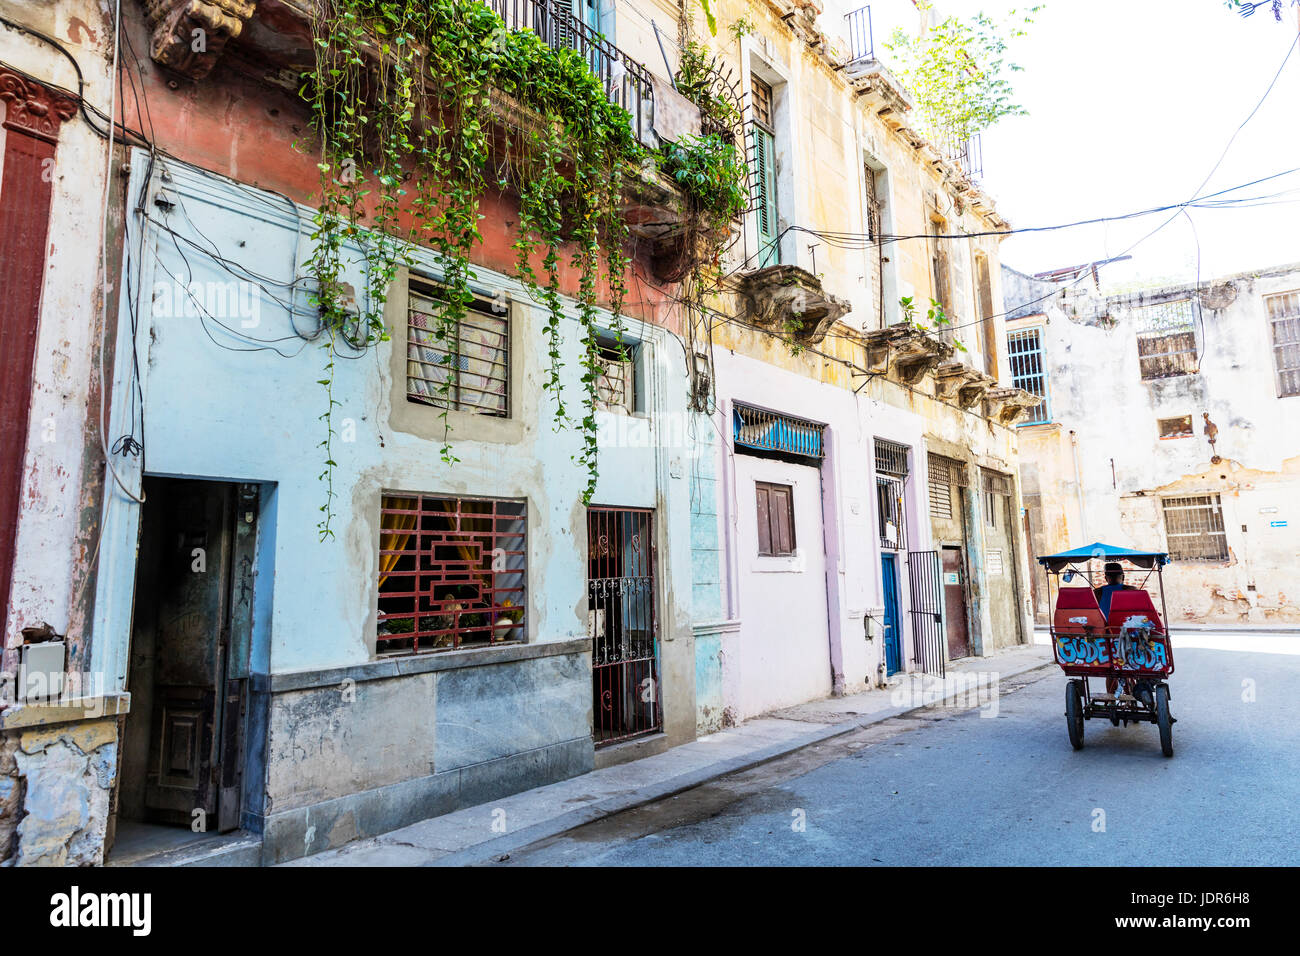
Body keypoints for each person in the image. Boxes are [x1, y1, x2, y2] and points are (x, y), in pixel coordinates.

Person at [1095, 562, 1137, 697]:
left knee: (1110, 671)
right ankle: (1134, 693)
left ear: (1106, 578)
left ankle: (1111, 698)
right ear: (1122, 576)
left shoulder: (1097, 592)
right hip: (1128, 636)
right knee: (1132, 666)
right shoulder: (1131, 590)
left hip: (1106, 637)